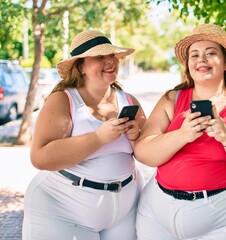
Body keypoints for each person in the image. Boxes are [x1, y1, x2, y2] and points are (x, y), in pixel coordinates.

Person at [134, 23, 226, 240]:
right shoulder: (171, 100)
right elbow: (143, 153)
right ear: (188, 64)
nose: (202, 60)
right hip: (157, 217)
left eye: (211, 53)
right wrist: (182, 135)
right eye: (195, 55)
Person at [22, 30, 146, 240]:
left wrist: (137, 137)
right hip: (62, 212)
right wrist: (98, 138)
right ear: (81, 67)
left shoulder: (130, 100)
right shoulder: (63, 100)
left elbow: (148, 152)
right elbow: (40, 157)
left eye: (111, 55)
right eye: (99, 57)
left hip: (125, 212)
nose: (110, 61)